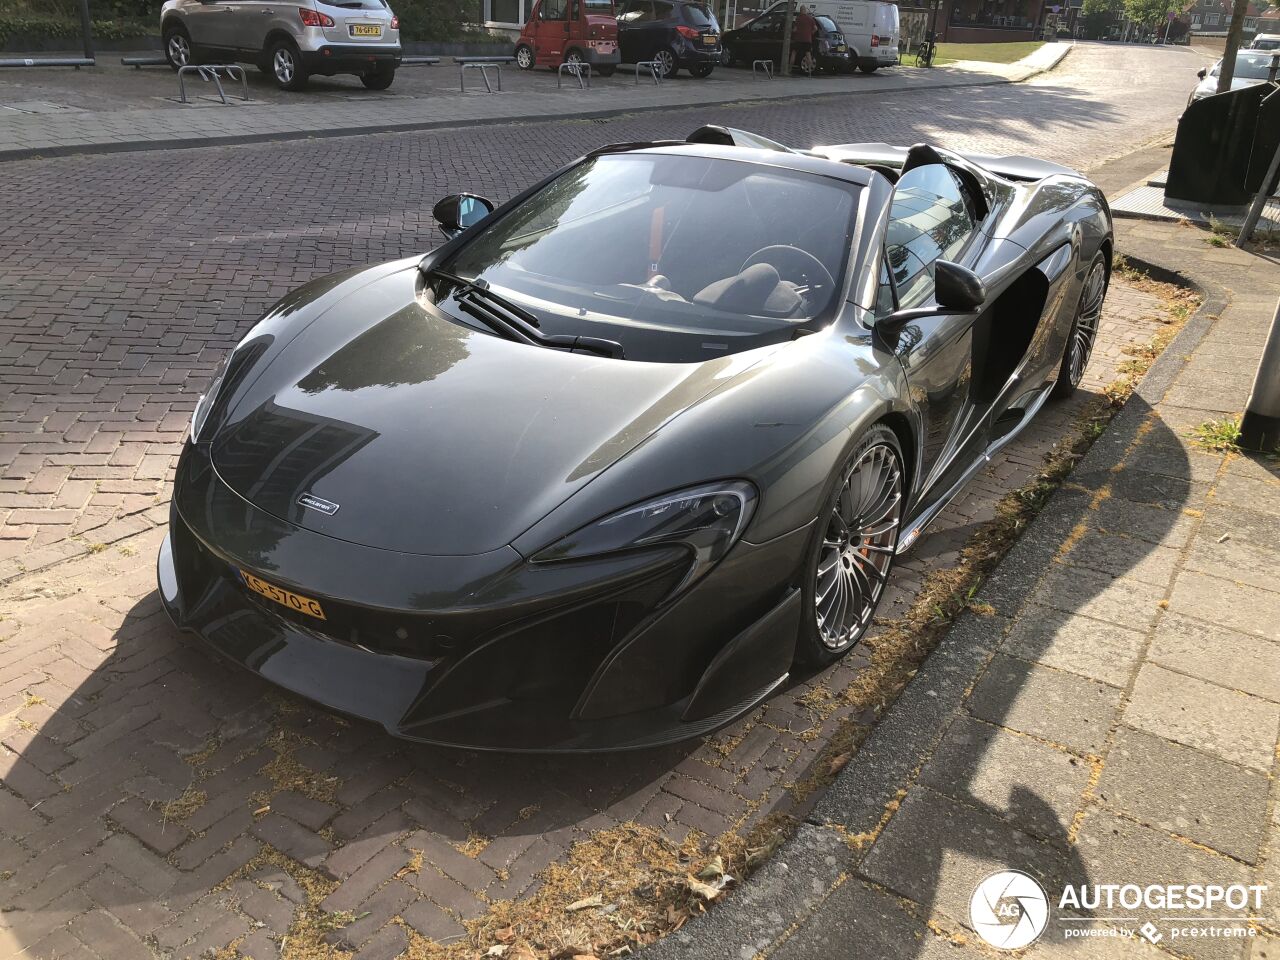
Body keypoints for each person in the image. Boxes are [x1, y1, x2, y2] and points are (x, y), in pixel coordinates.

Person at [791, 4, 817, 75]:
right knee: (808, 55)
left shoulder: (798, 18)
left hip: (798, 39)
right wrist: (810, 33)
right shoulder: (810, 19)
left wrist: (792, 31)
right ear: (805, 10)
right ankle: (810, 72)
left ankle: (789, 68)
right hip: (807, 40)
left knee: (794, 53)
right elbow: (815, 28)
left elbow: (795, 29)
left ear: (800, 11)